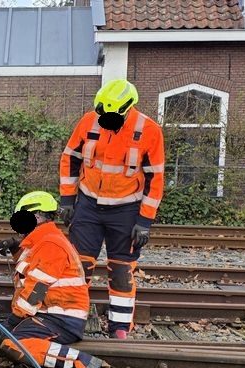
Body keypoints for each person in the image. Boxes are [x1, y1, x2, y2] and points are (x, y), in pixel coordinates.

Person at [58, 78, 165, 339]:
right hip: (89, 205)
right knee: (78, 266)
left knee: (121, 271)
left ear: (127, 109)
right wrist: (67, 200)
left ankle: (119, 329)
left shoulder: (148, 131)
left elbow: (155, 178)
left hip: (126, 210)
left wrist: (145, 221)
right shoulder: (88, 122)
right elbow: (70, 158)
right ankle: (72, 320)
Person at [0, 190, 103, 368]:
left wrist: (15, 319)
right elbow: (30, 271)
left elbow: (36, 288)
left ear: (36, 216)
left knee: (13, 343)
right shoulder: (43, 241)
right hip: (53, 315)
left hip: (61, 319)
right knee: (7, 339)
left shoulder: (50, 245)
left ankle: (81, 363)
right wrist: (15, 247)